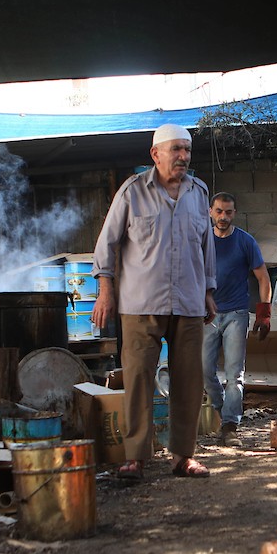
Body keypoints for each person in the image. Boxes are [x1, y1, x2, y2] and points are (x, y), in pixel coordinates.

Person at [91, 124, 216, 478]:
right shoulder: (132, 193)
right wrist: (105, 290)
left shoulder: (199, 192)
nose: (183, 157)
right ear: (155, 154)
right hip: (139, 304)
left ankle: (183, 456)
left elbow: (206, 247)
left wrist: (208, 291)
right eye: (176, 149)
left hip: (189, 302)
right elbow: (107, 245)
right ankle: (136, 456)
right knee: (138, 379)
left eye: (187, 150)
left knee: (190, 380)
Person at [202, 192, 272, 446]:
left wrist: (264, 313)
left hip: (236, 314)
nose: (223, 216)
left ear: (234, 213)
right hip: (206, 315)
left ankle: (230, 426)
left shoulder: (245, 241)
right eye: (219, 211)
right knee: (204, 370)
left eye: (228, 212)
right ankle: (223, 410)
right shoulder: (202, 241)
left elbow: (263, 278)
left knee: (235, 374)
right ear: (210, 212)